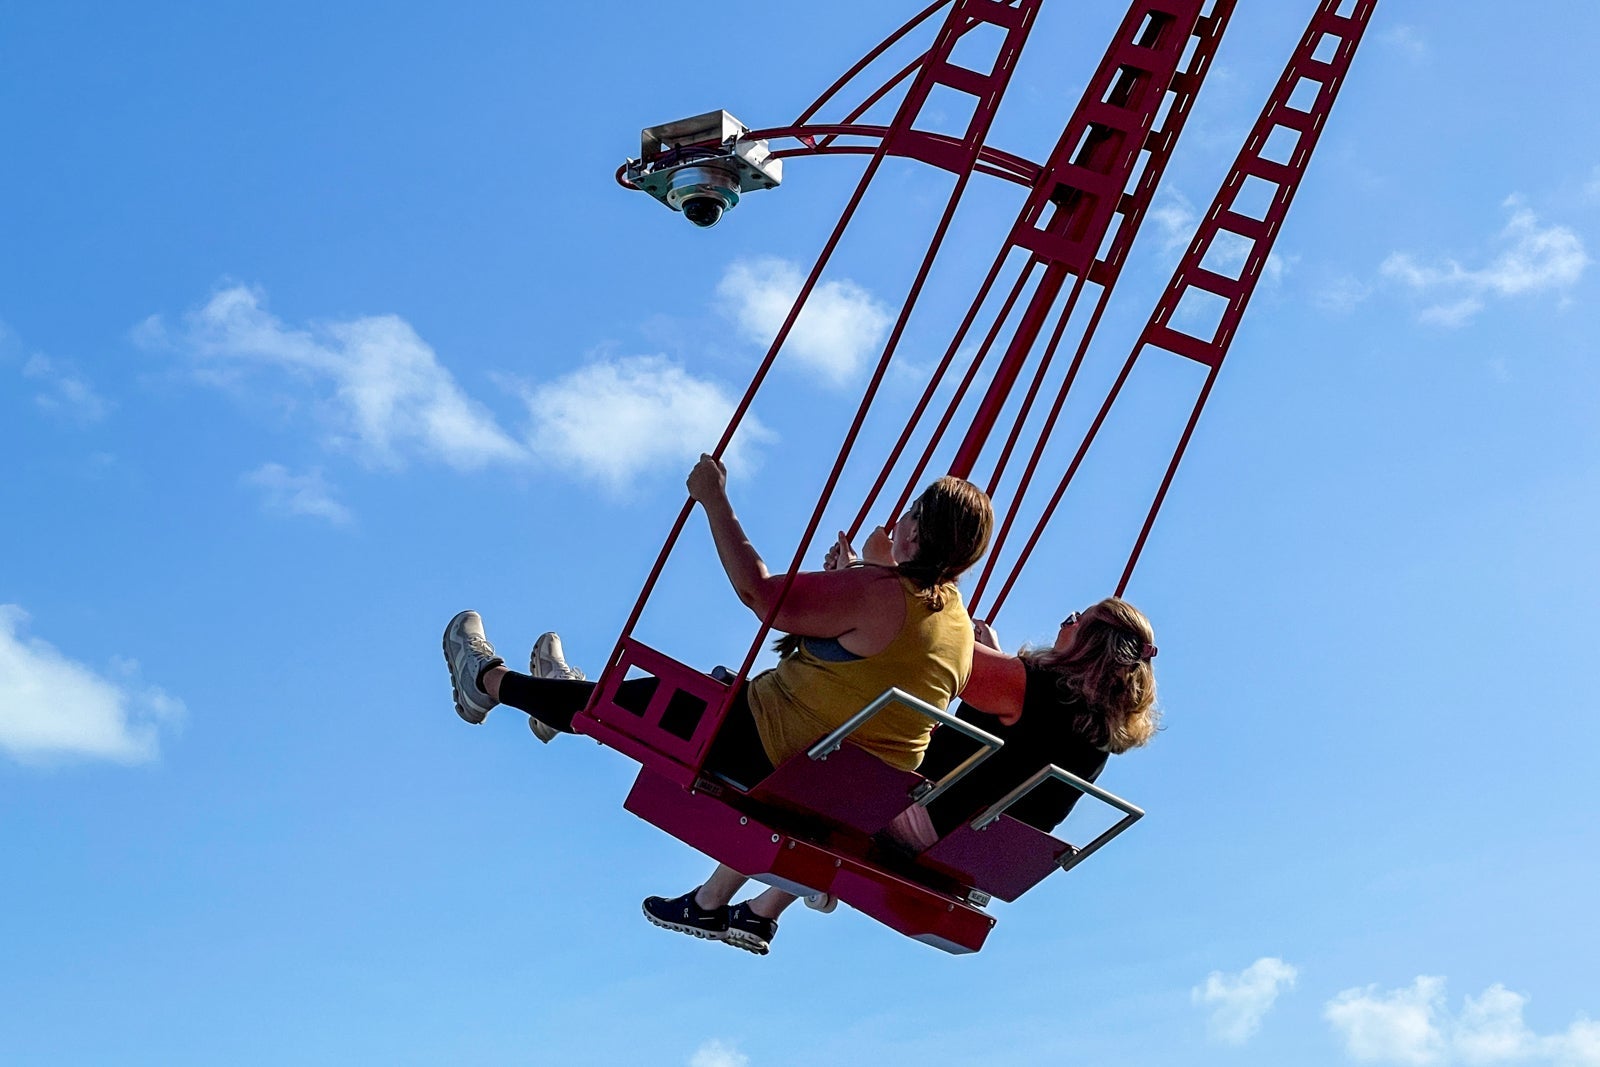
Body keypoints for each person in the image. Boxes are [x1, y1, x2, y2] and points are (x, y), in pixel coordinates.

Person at [441, 453, 994, 955]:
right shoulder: (959, 629)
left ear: (917, 531)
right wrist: (856, 576)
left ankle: (486, 683)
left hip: (771, 752)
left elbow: (761, 593)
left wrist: (714, 498)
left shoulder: (879, 595)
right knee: (649, 698)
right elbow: (875, 658)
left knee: (626, 705)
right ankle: (558, 699)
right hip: (845, 791)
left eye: (910, 514)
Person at [885, 596, 1161, 854]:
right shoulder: (1098, 730)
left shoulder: (1039, 687)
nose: (1063, 625)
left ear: (1089, 642)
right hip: (978, 852)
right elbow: (1022, 748)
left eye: (1073, 620)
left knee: (857, 713)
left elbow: (942, 645)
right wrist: (1000, 659)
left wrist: (889, 586)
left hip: (919, 819)